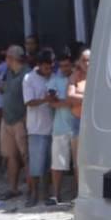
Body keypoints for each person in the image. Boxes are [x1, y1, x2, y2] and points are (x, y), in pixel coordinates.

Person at [22, 49, 56, 207]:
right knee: (36, 164)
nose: (49, 70)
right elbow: (29, 102)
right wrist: (46, 99)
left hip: (52, 127)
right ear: (40, 65)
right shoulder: (29, 79)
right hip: (36, 128)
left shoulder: (54, 77)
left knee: (48, 164)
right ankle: (33, 194)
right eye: (47, 67)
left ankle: (46, 194)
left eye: (51, 67)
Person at [0, 45, 30, 198]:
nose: (5, 60)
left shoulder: (27, 75)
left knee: (26, 156)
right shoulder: (10, 73)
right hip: (7, 120)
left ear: (12, 58)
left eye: (7, 57)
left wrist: (25, 120)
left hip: (20, 120)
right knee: (11, 155)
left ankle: (33, 190)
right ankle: (13, 188)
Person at [48, 51, 76, 204]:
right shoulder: (55, 79)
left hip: (77, 127)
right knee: (57, 164)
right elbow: (51, 101)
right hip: (60, 127)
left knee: (78, 165)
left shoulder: (78, 78)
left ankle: (78, 195)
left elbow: (76, 102)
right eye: (62, 66)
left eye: (67, 65)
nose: (64, 68)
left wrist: (63, 101)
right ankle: (55, 195)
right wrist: (68, 101)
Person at [67, 47, 89, 189]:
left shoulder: (97, 75)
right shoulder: (75, 77)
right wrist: (88, 98)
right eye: (84, 60)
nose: (87, 63)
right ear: (79, 62)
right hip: (77, 121)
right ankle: (80, 190)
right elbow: (70, 97)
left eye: (89, 60)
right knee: (78, 159)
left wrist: (79, 98)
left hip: (92, 122)